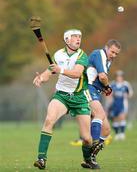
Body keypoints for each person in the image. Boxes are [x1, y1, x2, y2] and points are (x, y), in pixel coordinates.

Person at [33, 29, 100, 170]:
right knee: (49, 120)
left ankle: (88, 159)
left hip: (80, 97)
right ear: (67, 39)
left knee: (86, 138)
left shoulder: (82, 55)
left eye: (80, 36)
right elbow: (50, 71)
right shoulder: (59, 54)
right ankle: (41, 159)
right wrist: (41, 78)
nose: (78, 39)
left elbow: (76, 73)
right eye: (75, 36)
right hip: (62, 95)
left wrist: (60, 70)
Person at [86, 39, 121, 161]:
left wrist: (104, 88)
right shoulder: (99, 54)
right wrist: (107, 87)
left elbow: (100, 79)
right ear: (106, 47)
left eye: (116, 53)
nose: (114, 55)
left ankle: (91, 157)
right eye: (112, 52)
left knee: (106, 131)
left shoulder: (108, 61)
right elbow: (102, 77)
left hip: (96, 92)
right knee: (100, 114)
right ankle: (92, 145)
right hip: (87, 89)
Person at [108, 70, 133, 140]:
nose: (119, 78)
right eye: (117, 76)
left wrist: (126, 96)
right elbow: (108, 93)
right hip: (114, 103)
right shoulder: (112, 84)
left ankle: (122, 133)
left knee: (122, 117)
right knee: (115, 119)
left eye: (120, 76)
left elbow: (130, 94)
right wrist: (110, 99)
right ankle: (117, 134)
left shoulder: (126, 84)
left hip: (123, 103)